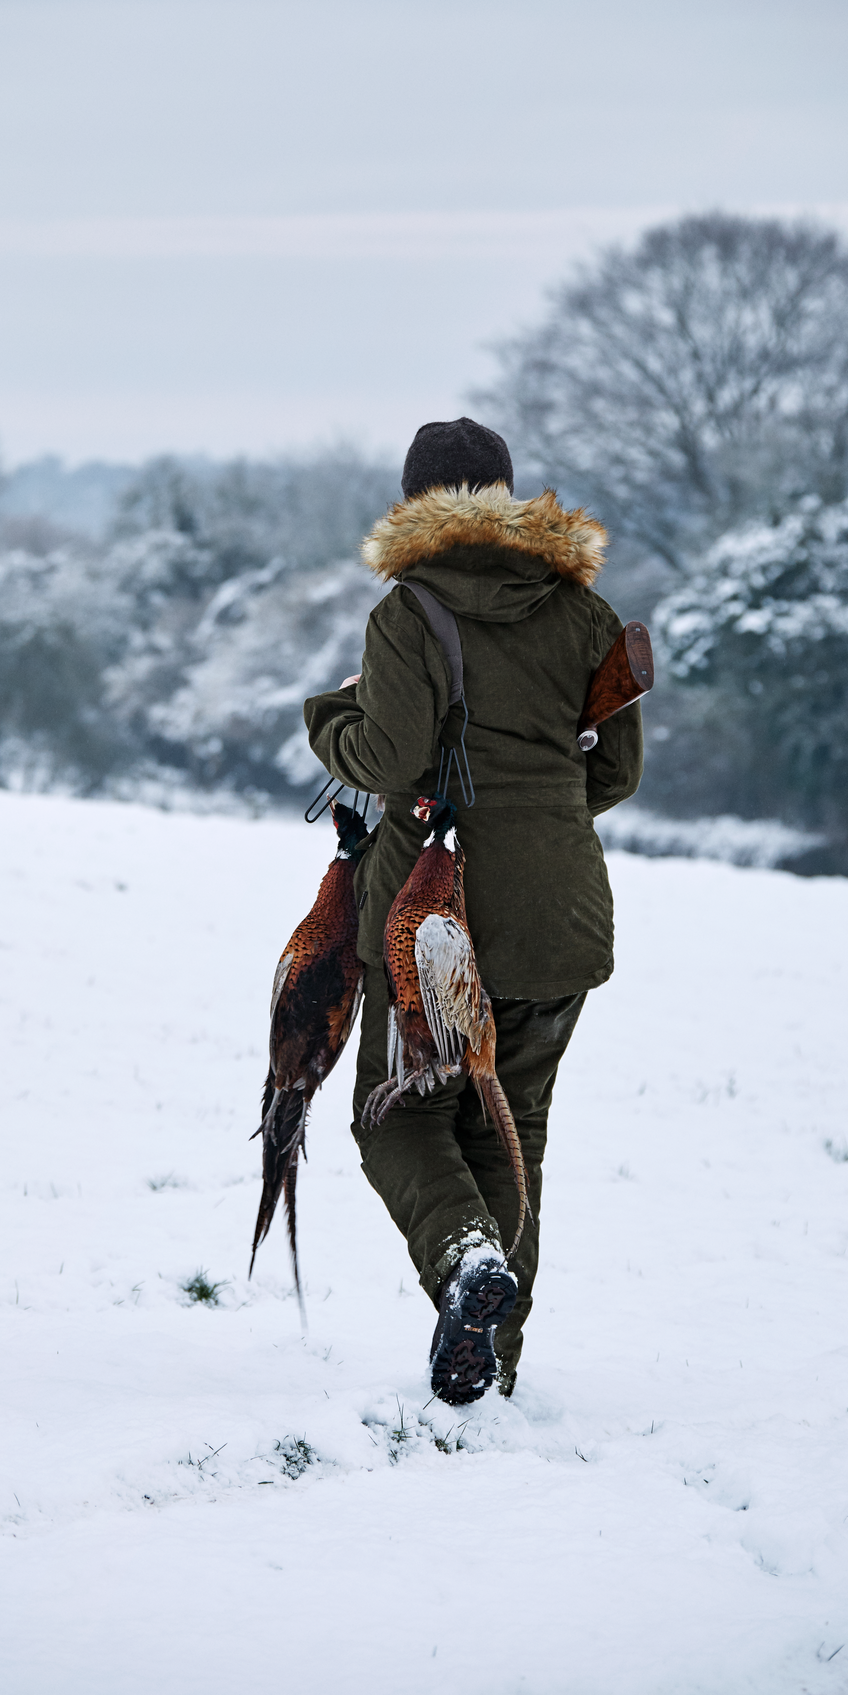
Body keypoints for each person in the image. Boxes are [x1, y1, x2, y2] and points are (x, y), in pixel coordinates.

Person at [303, 417, 643, 1403]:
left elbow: (390, 759)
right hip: (563, 914)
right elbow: (614, 771)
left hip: (432, 916)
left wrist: (329, 718)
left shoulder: (409, 613)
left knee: (401, 1117)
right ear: (508, 492)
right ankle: (493, 1364)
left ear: (414, 504)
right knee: (512, 1127)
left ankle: (464, 1266)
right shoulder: (588, 612)